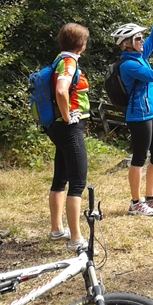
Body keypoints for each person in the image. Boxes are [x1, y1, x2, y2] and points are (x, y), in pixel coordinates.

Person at [110, 19, 153, 216]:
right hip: (139, 116)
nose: (142, 41)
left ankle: (151, 198)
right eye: (138, 38)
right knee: (139, 158)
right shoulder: (130, 65)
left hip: (152, 114)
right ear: (127, 44)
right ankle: (135, 203)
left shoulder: (139, 56)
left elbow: (150, 43)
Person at [44, 23, 91, 251]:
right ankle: (76, 239)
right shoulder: (69, 62)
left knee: (60, 177)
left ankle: (57, 229)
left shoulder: (58, 60)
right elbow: (62, 90)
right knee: (78, 182)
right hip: (69, 128)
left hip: (56, 126)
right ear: (81, 44)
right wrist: (68, 116)